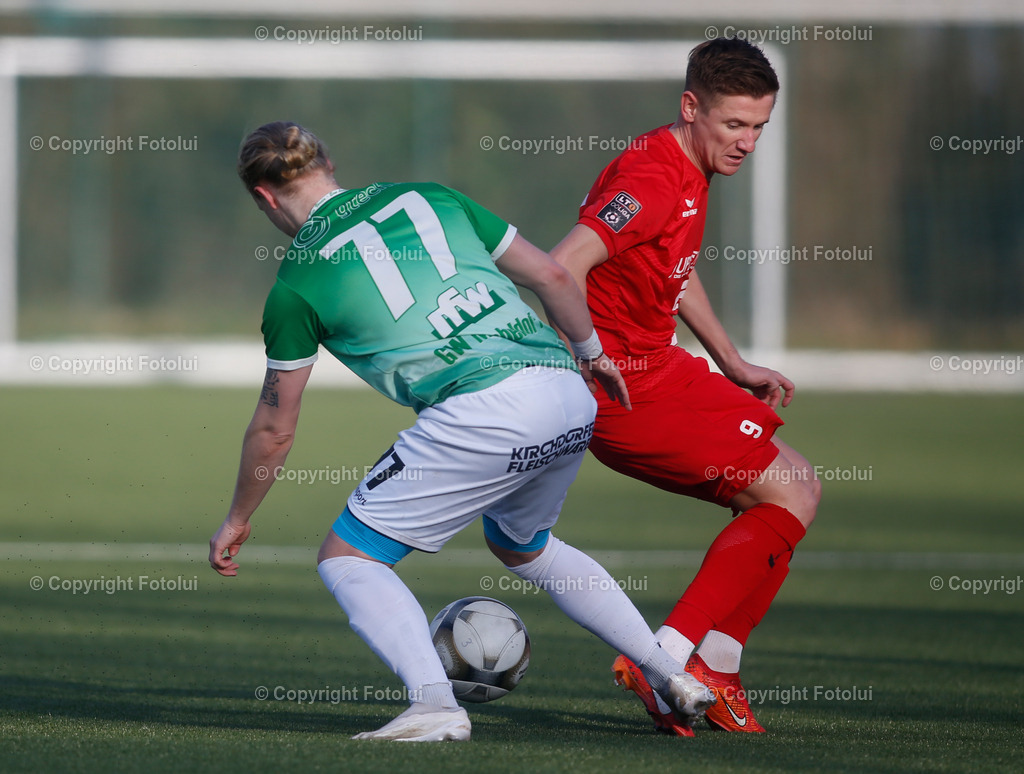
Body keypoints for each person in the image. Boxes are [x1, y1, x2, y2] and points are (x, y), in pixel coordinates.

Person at [208, 121, 717, 742]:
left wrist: (238, 516)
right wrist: (591, 352)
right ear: (329, 163)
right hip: (563, 388)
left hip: (482, 412)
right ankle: (671, 673)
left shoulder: (293, 285)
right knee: (524, 543)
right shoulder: (433, 197)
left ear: (263, 197)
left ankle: (434, 705)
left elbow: (274, 428)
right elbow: (554, 277)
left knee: (350, 559)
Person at [550, 38, 821, 736]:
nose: (748, 143)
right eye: (734, 125)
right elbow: (560, 266)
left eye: (759, 127)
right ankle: (667, 659)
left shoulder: (683, 164)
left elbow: (673, 259)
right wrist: (588, 353)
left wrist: (730, 358)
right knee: (787, 491)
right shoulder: (651, 179)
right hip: (627, 392)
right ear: (691, 107)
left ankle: (717, 666)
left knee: (797, 485)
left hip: (665, 367)